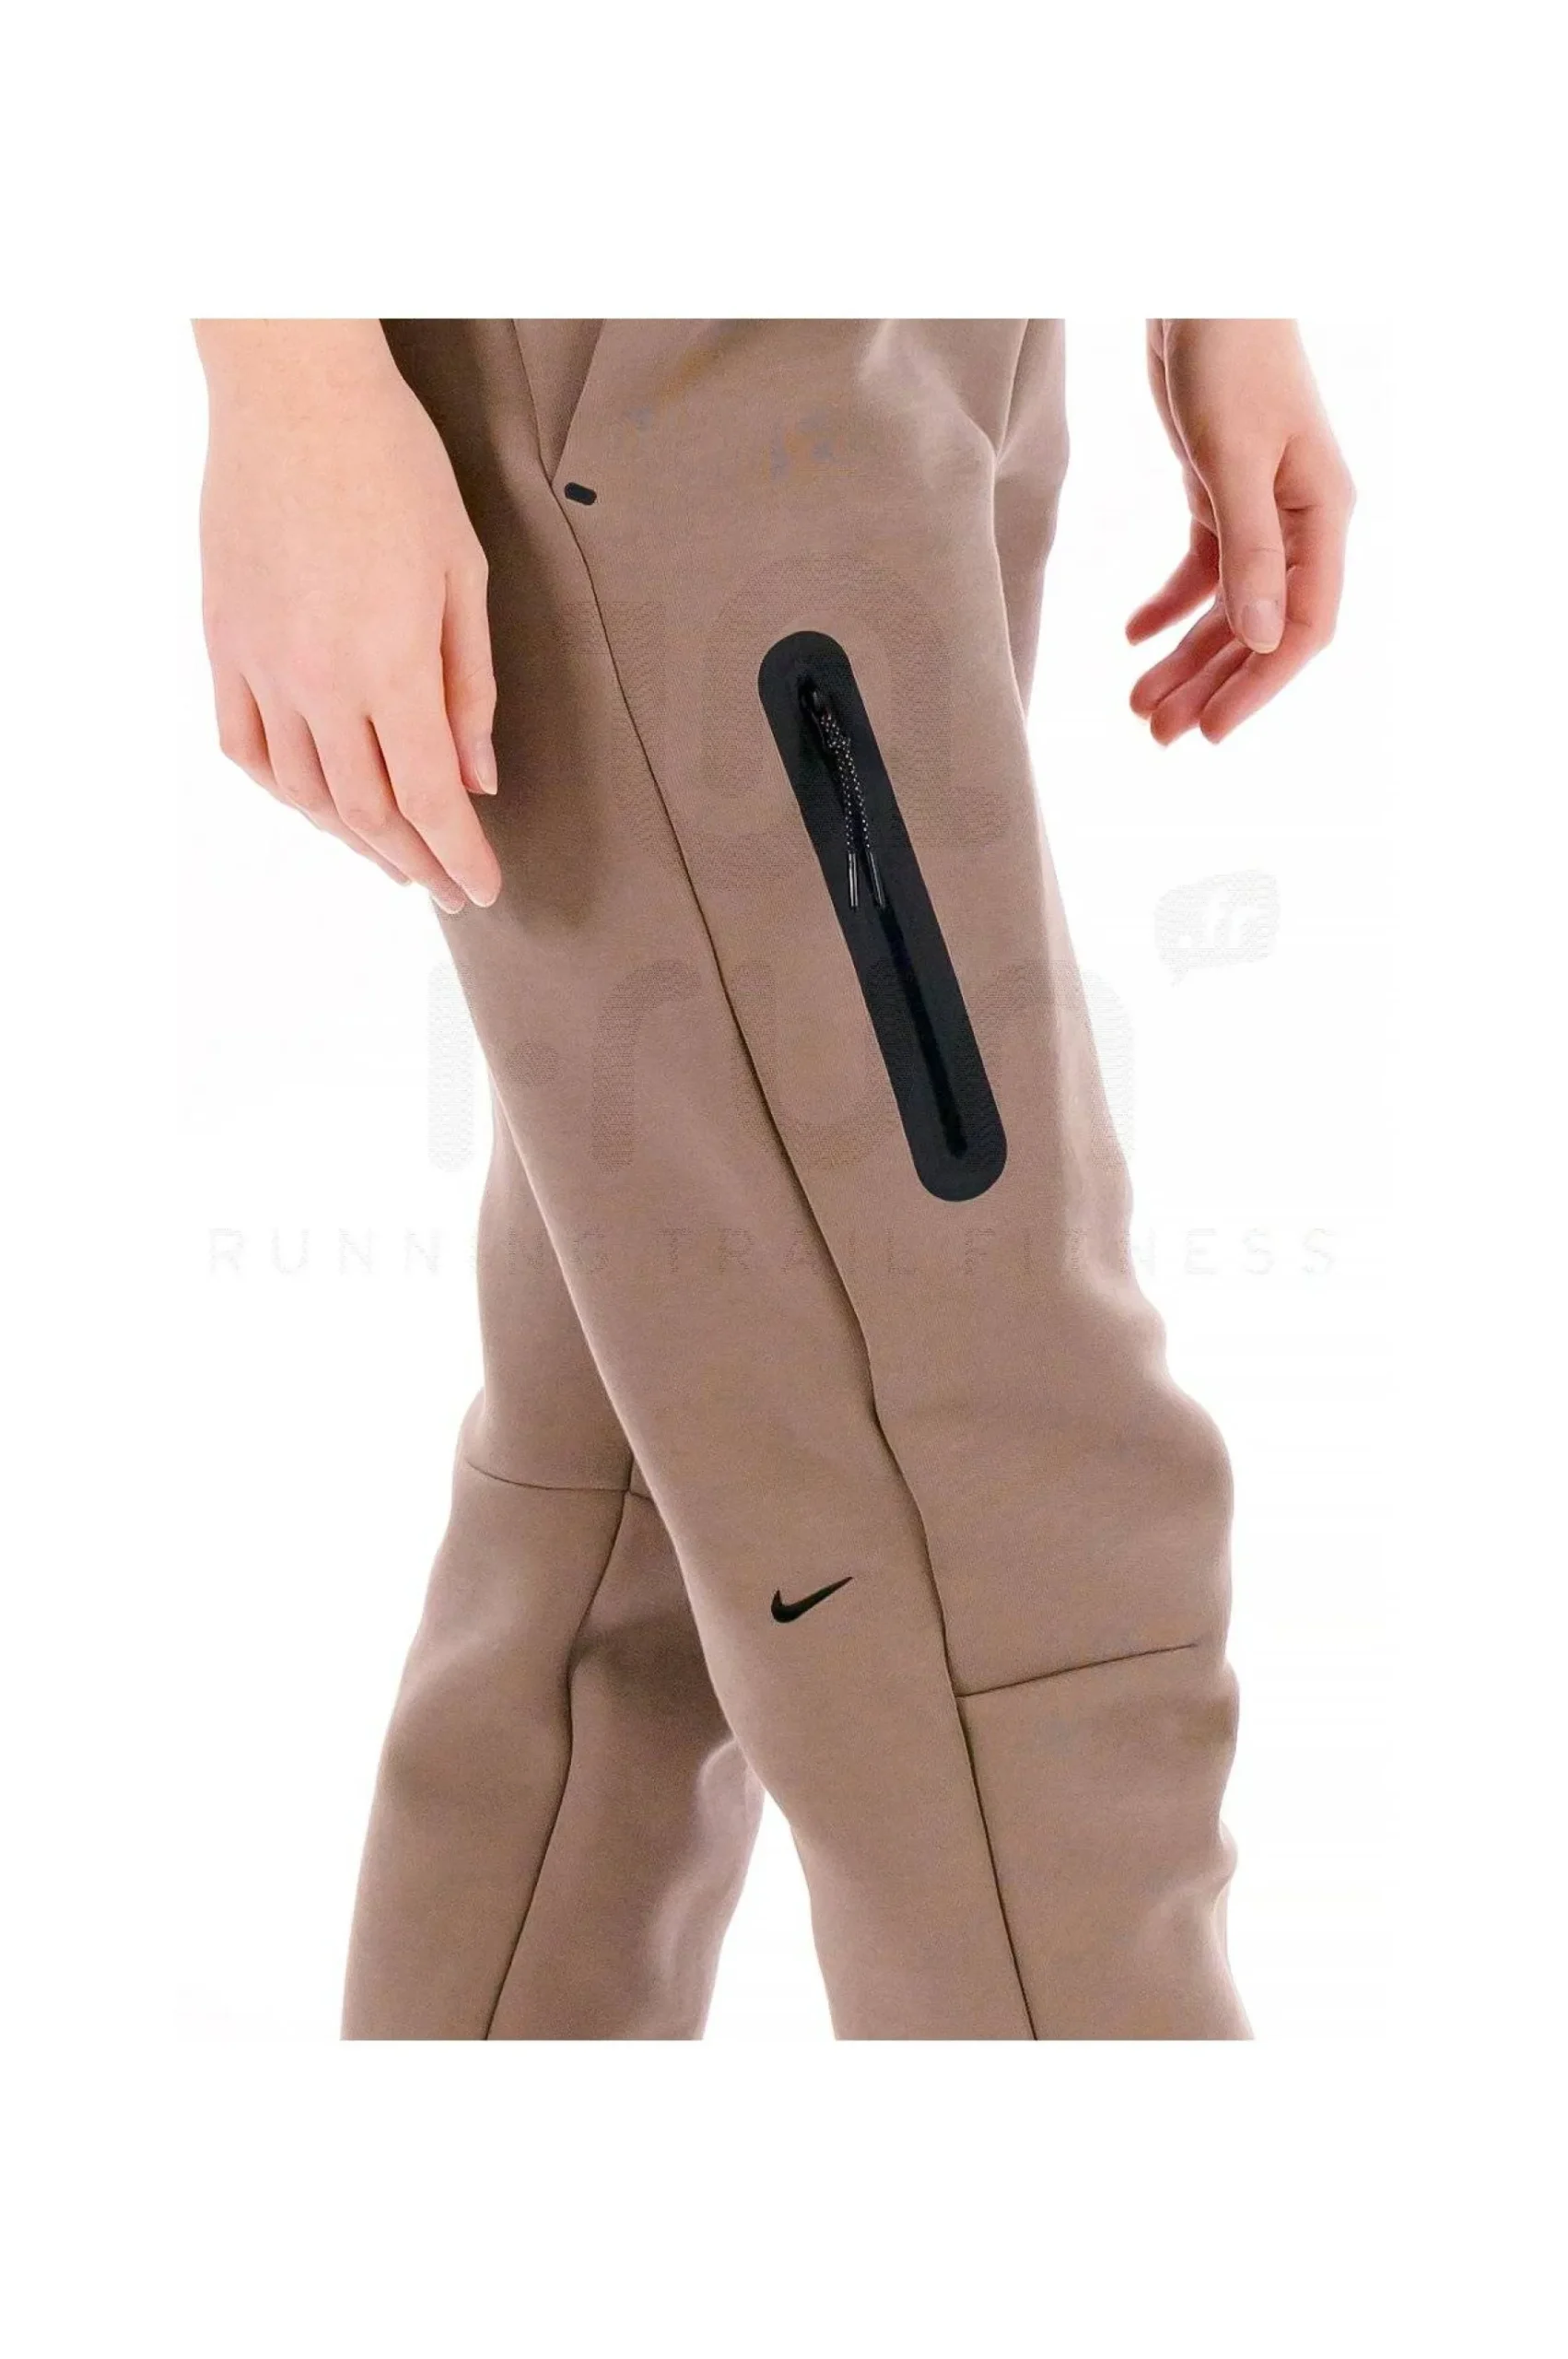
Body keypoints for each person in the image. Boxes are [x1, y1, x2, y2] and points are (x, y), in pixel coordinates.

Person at [194, 319, 1352, 2039]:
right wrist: (291, 381)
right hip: (659, 351)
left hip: (925, 327)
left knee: (647, 1496)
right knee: (1005, 1518)